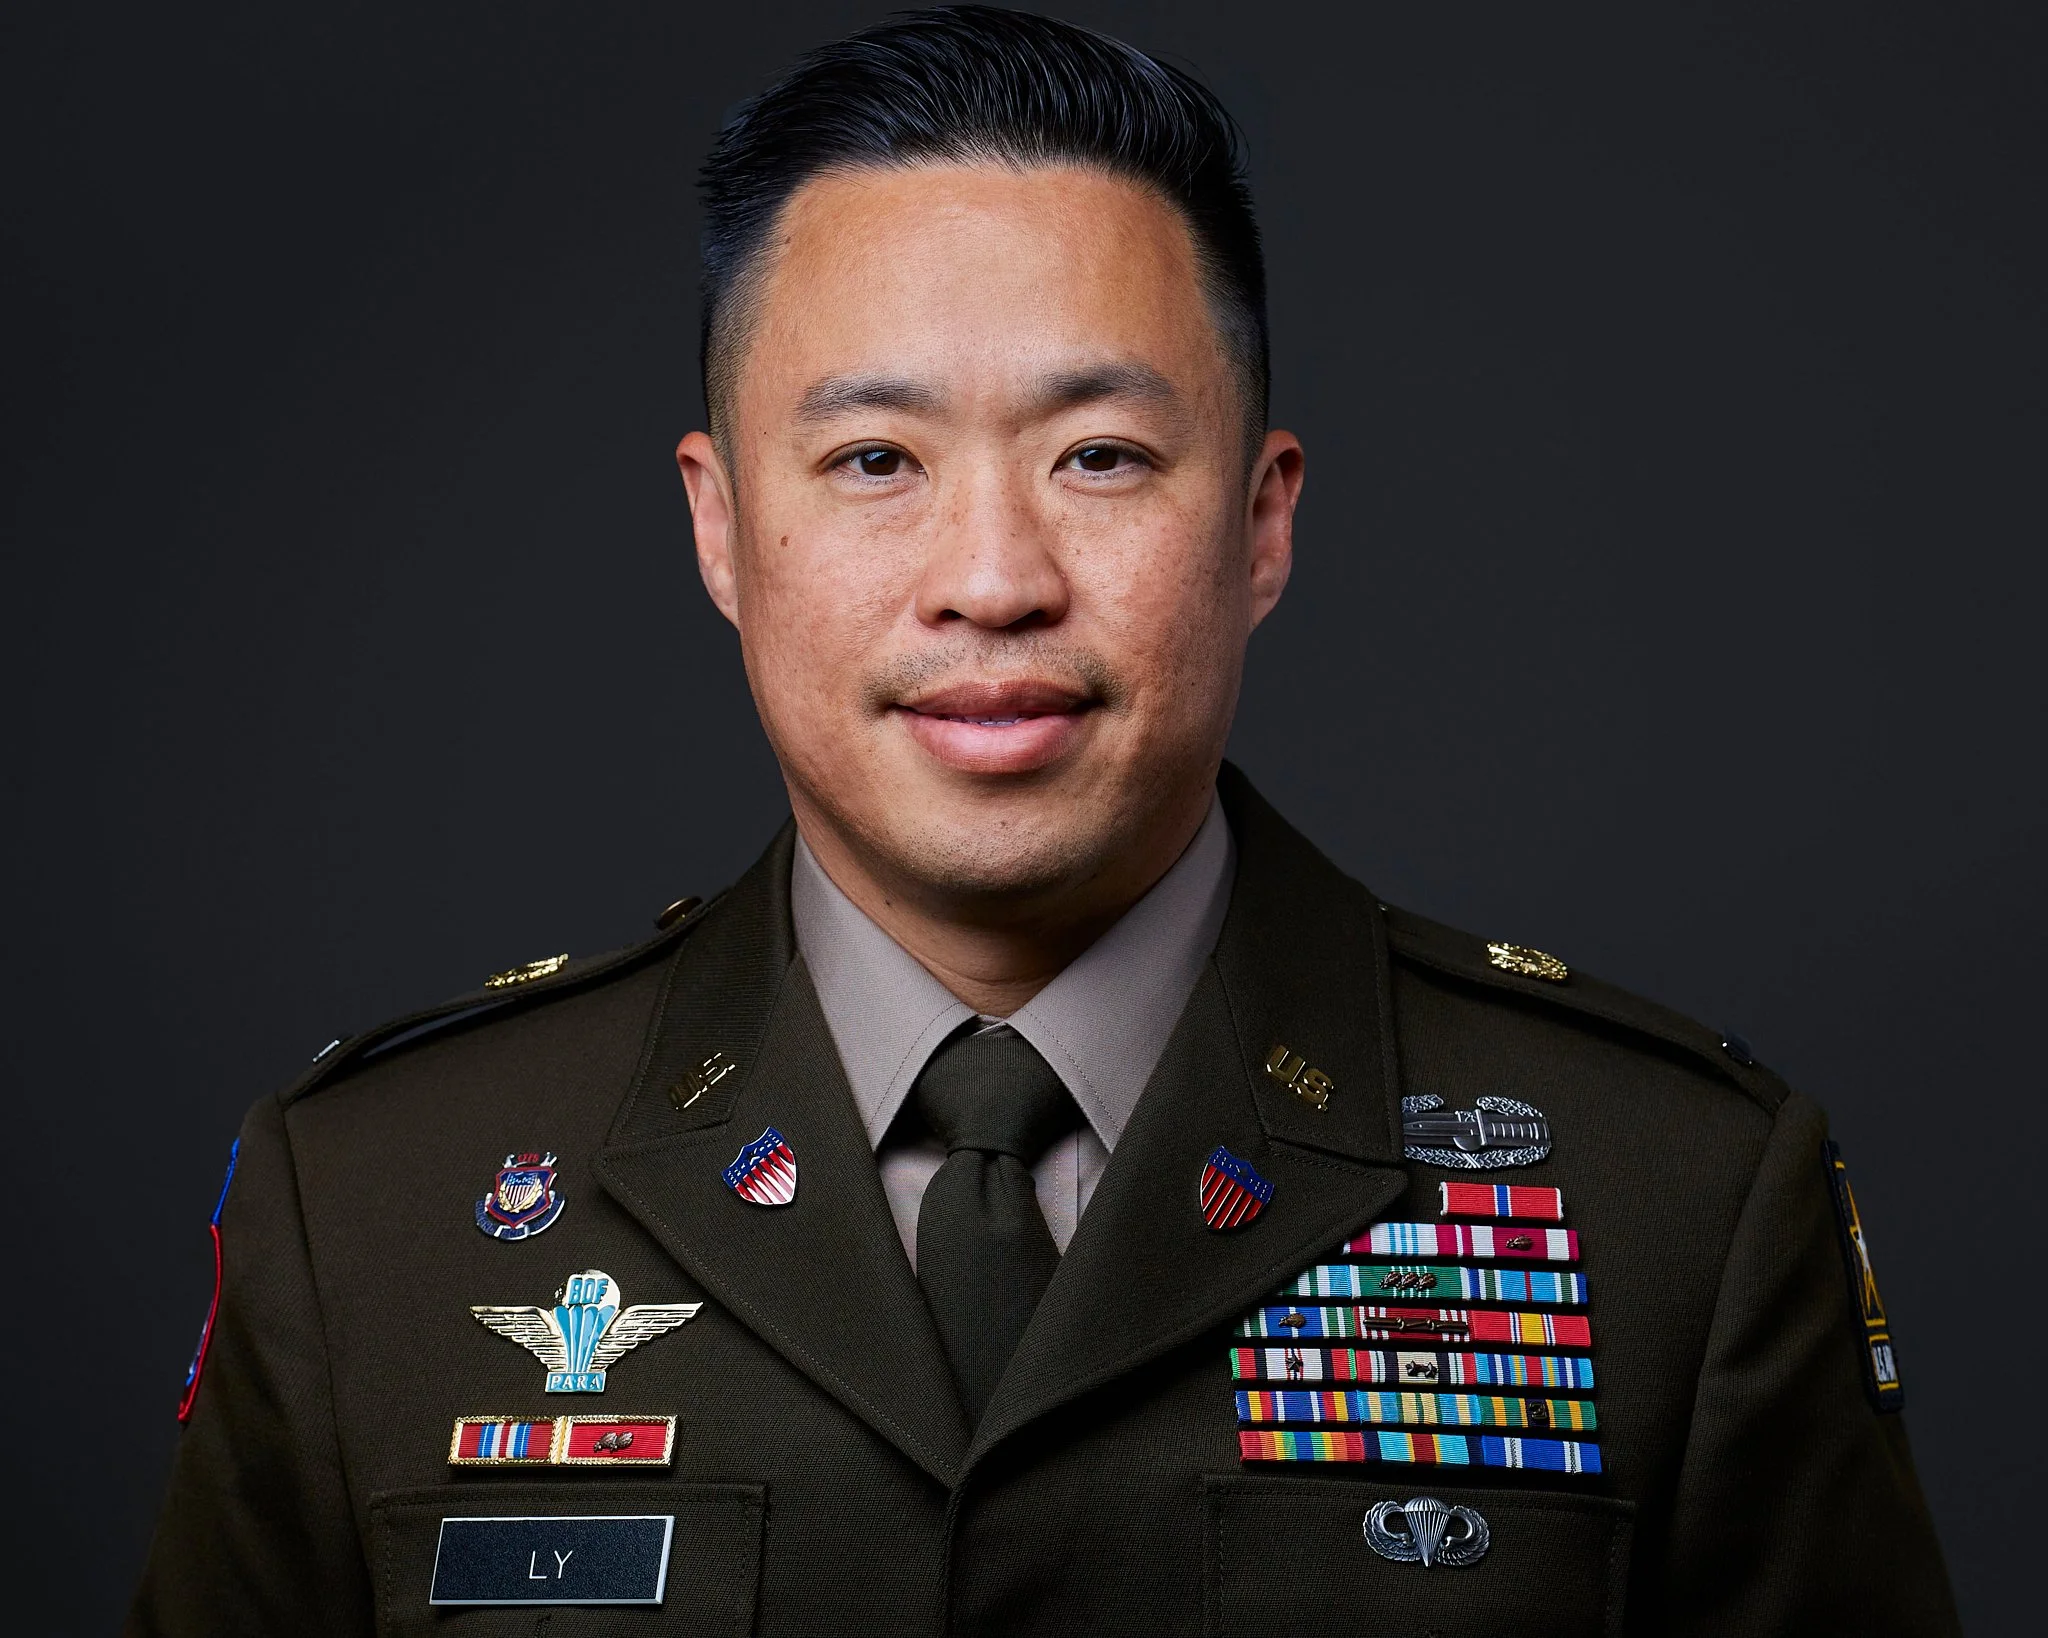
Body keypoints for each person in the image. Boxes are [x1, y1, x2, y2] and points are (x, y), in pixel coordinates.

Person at [129, 8, 1958, 1633]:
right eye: (874, 462)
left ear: (1260, 521)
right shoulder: (372, 1203)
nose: (992, 579)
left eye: (1100, 455)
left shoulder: (1672, 1204)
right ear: (717, 527)